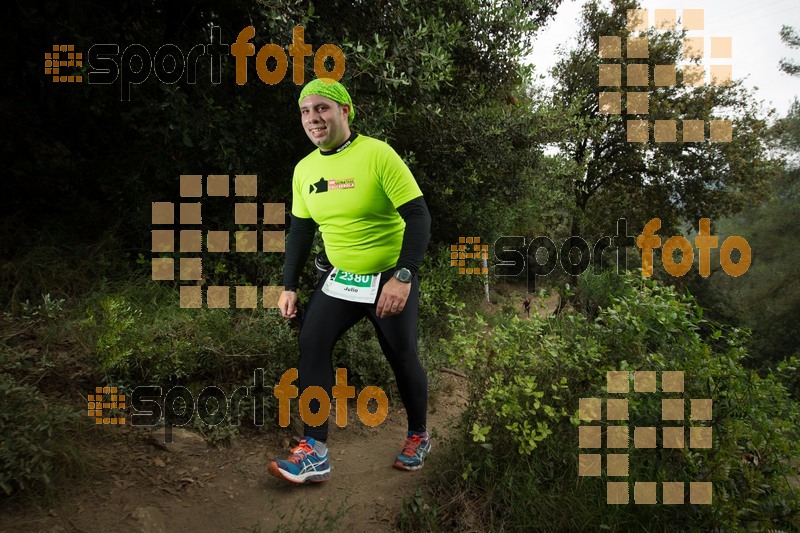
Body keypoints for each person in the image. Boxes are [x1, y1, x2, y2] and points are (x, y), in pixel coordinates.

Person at [269, 78, 432, 484]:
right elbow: (301, 232)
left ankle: (418, 434)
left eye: (321, 108)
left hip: (388, 279)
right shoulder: (305, 169)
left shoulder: (377, 155)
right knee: (311, 342)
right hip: (341, 280)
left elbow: (419, 216)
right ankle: (315, 450)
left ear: (345, 110)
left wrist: (403, 276)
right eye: (306, 111)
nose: (313, 118)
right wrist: (288, 286)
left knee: (401, 354)